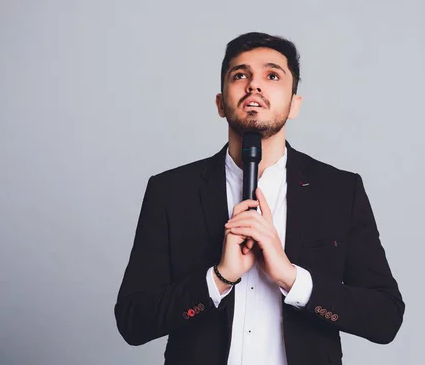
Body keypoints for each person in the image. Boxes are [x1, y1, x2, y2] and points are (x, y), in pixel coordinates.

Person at [114, 32, 405, 365]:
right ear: (221, 102)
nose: (254, 85)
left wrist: (291, 278)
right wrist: (218, 278)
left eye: (272, 75)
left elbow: (386, 318)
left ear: (294, 104)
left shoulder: (340, 191)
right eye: (240, 75)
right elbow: (132, 321)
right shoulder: (170, 191)